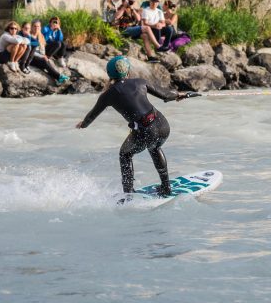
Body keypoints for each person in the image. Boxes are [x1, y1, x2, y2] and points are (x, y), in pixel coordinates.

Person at [75, 55, 187, 197]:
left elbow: (91, 116)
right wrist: (178, 95)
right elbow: (166, 95)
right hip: (162, 124)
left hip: (146, 131)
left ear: (110, 75)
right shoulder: (140, 82)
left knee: (125, 154)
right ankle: (166, 187)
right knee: (155, 147)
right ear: (127, 71)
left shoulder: (107, 95)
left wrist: (83, 125)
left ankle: (128, 194)